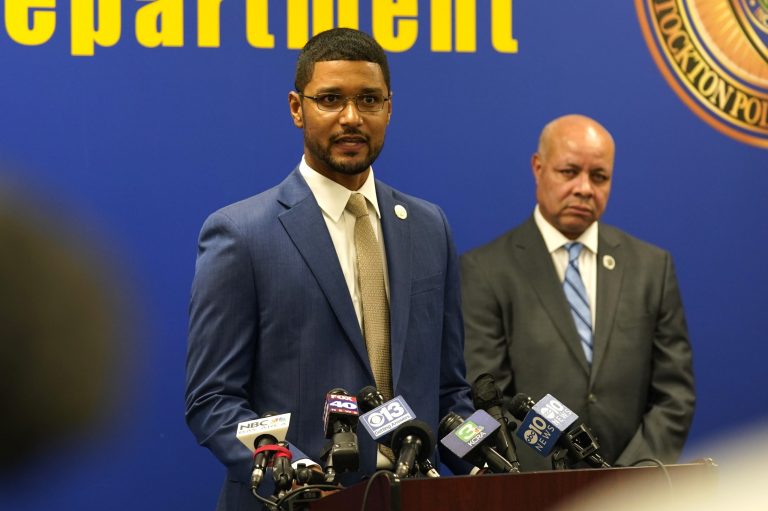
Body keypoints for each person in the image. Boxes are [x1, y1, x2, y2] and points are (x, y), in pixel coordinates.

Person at [185, 28, 473, 509]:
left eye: (369, 100)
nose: (351, 118)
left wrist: (489, 470)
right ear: (297, 108)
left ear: (389, 108)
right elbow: (212, 401)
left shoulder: (429, 227)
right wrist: (292, 470)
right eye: (331, 99)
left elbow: (449, 392)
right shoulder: (241, 233)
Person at [461, 114, 695, 471]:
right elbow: (489, 401)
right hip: (533, 490)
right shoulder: (485, 271)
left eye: (599, 177)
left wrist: (631, 478)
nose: (585, 188)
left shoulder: (652, 267)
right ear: (538, 168)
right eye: (569, 172)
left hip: (634, 489)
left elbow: (674, 395)